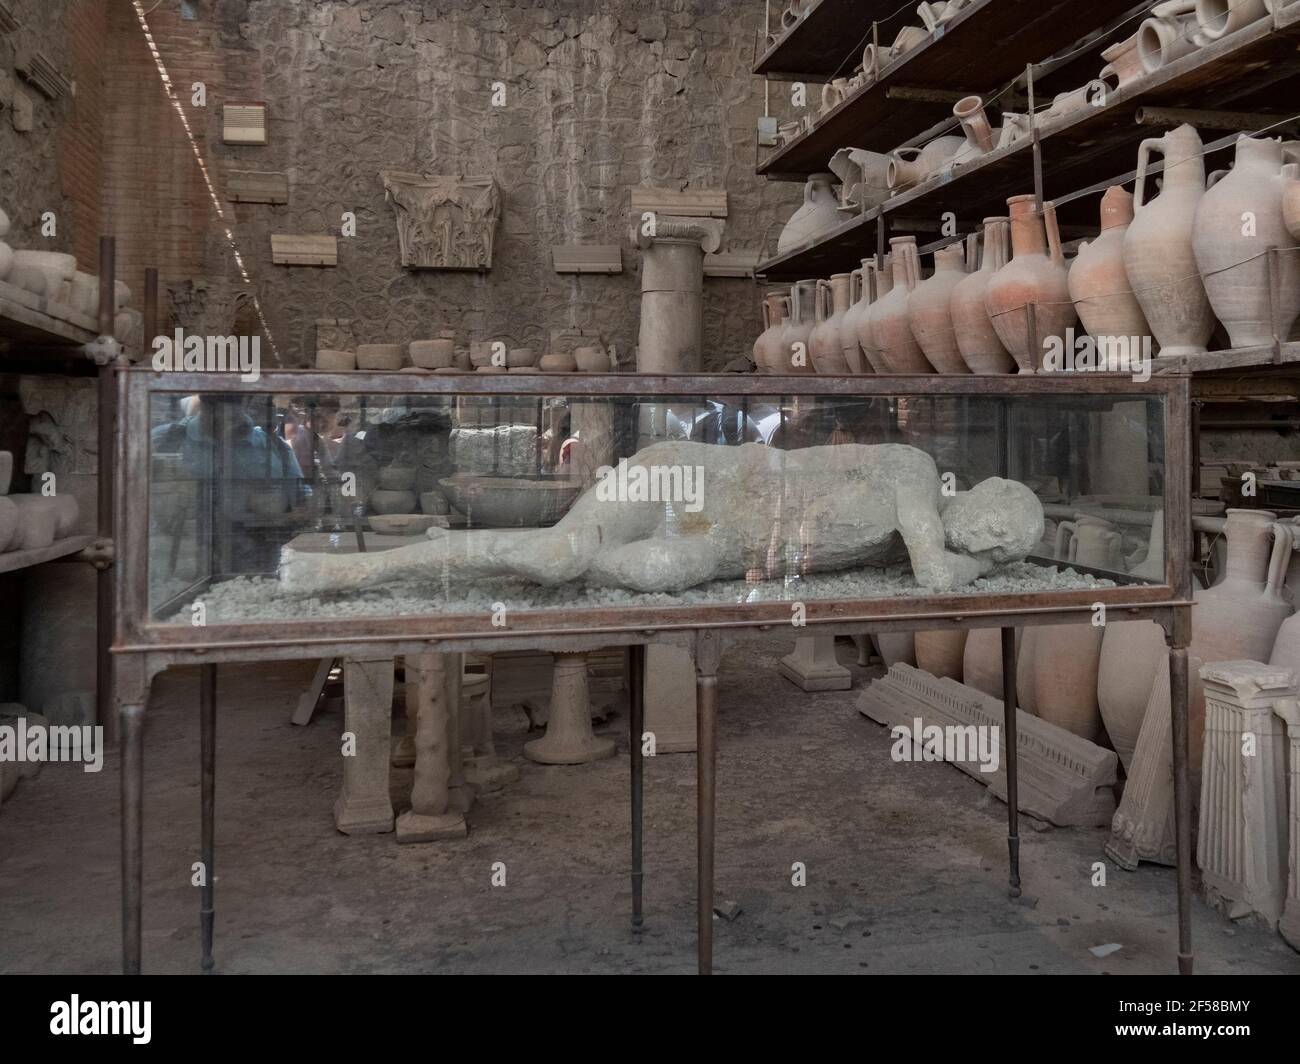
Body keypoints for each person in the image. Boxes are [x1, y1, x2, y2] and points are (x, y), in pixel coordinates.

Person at [278, 439, 1043, 597]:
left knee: (566, 563)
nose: (991, 543)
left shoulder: (895, 541)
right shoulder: (914, 473)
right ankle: (352, 569)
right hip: (696, 475)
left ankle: (355, 569)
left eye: (1004, 550)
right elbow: (939, 576)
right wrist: (981, 567)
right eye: (999, 528)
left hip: (710, 546)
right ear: (984, 488)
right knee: (560, 551)